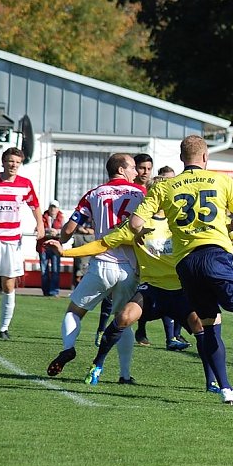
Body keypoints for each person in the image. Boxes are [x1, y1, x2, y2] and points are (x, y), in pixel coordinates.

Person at [127, 135, 233, 405]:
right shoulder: (222, 181)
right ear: (205, 157)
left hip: (187, 264)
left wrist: (143, 232)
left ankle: (226, 388)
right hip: (216, 254)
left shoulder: (164, 187)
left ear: (182, 159)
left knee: (209, 324)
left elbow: (135, 222)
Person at [44, 176, 231, 399]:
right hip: (151, 289)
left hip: (180, 290)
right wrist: (64, 252)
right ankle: (97, 365)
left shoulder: (181, 223)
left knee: (201, 326)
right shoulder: (136, 224)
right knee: (123, 317)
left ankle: (211, 381)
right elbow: (102, 243)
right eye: (154, 193)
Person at [46, 153, 144, 382]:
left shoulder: (94, 194)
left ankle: (69, 347)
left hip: (102, 263)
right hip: (129, 266)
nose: (136, 172)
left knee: (74, 311)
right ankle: (125, 374)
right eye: (132, 167)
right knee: (124, 321)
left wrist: (62, 242)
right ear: (120, 169)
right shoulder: (141, 193)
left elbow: (70, 227)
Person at [0, 148, 44, 339]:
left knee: (8, 284)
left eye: (17, 162)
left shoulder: (25, 184)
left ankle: (4, 328)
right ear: (3, 162)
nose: (14, 165)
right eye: (10, 161)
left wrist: (40, 224)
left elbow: (35, 206)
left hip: (12, 239)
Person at [132, 153, 155, 345]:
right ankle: (102, 328)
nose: (145, 172)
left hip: (147, 246)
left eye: (148, 168)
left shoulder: (152, 190)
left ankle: (141, 329)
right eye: (142, 168)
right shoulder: (131, 191)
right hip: (126, 242)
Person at [39, 199, 65, 297]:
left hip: (55, 247)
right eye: (51, 207)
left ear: (58, 209)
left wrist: (57, 232)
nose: (53, 209)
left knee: (55, 270)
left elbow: (65, 231)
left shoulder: (62, 218)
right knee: (44, 270)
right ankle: (45, 292)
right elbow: (38, 228)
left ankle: (54, 292)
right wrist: (48, 231)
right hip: (44, 247)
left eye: (55, 207)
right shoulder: (42, 217)